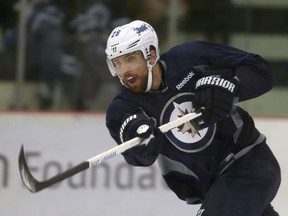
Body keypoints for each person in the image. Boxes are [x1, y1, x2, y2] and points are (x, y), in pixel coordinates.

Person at [104, 20, 281, 216]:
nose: (123, 70)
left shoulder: (191, 57)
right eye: (117, 63)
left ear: (151, 55)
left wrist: (230, 85)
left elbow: (260, 70)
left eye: (130, 59)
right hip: (215, 189)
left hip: (249, 163)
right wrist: (139, 137)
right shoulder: (121, 107)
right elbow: (138, 156)